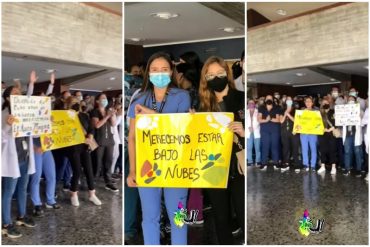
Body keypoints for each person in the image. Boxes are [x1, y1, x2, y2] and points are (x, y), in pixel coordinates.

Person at [127, 52, 191, 245]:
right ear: (148, 73)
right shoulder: (139, 101)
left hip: (177, 168)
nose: (160, 73)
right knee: (150, 218)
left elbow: (177, 131)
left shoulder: (182, 97)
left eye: (164, 69)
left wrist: (150, 113)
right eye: (155, 70)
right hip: (148, 168)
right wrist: (132, 170)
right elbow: (132, 138)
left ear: (171, 72)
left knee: (179, 218)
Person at [199, 56, 245, 244]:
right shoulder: (201, 104)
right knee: (220, 217)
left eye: (220, 73)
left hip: (237, 166)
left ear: (227, 74)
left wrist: (243, 131)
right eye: (210, 75)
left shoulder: (241, 98)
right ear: (205, 79)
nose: (216, 78)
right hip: (214, 167)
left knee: (243, 213)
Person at [2, 83, 36, 238]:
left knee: (23, 189)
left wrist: (44, 122)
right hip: (11, 159)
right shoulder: (4, 113)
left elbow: (33, 134)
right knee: (8, 192)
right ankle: (6, 224)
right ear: (8, 98)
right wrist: (8, 126)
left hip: (25, 157)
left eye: (20, 93)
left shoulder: (25, 112)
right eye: (15, 93)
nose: (19, 95)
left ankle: (21, 217)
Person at [29, 72, 60, 217]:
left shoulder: (46, 112)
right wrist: (31, 84)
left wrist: (52, 84)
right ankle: (36, 204)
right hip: (35, 145)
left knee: (51, 175)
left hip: (46, 145)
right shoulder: (28, 113)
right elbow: (25, 133)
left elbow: (47, 98)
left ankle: (50, 200)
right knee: (36, 177)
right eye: (40, 99)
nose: (43, 100)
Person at [63, 96, 102, 206]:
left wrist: (90, 136)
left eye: (76, 102)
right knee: (77, 171)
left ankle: (92, 194)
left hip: (85, 146)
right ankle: (73, 194)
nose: (75, 104)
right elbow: (66, 133)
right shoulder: (65, 118)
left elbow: (91, 128)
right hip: (72, 148)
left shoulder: (84, 115)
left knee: (89, 170)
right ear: (67, 105)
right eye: (72, 103)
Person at [91, 93, 119, 192]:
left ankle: (108, 182)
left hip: (109, 141)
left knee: (108, 162)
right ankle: (92, 182)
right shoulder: (94, 112)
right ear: (97, 101)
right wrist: (107, 116)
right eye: (102, 98)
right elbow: (97, 125)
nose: (104, 100)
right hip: (99, 141)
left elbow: (114, 124)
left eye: (105, 98)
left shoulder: (108, 110)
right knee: (97, 163)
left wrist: (112, 114)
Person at [258, 95, 281, 170]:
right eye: (267, 98)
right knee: (265, 146)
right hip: (265, 130)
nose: (269, 100)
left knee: (275, 146)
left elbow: (278, 120)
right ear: (265, 100)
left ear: (272, 100)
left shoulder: (277, 107)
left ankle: (276, 163)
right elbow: (259, 119)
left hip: (275, 130)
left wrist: (270, 118)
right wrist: (266, 120)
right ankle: (263, 163)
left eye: (270, 99)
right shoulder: (261, 107)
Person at [342, 95, 363, 176]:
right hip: (347, 134)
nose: (350, 101)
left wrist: (359, 117)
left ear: (355, 101)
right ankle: (347, 168)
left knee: (357, 152)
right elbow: (341, 121)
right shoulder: (344, 111)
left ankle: (359, 169)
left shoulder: (360, 110)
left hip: (356, 134)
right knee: (347, 152)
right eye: (349, 100)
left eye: (352, 100)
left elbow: (363, 123)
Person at [298, 96, 318, 172]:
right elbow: (298, 122)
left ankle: (313, 165)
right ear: (305, 103)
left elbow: (318, 123)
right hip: (303, 133)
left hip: (313, 133)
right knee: (304, 149)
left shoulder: (316, 112)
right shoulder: (301, 111)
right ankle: (305, 164)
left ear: (312, 103)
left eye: (310, 101)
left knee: (313, 149)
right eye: (307, 101)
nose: (308, 103)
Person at [280, 96, 300, 172]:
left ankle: (297, 164)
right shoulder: (282, 110)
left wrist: (288, 114)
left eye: (290, 100)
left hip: (294, 132)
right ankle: (286, 163)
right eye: (287, 100)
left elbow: (296, 120)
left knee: (295, 149)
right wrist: (285, 113)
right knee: (285, 148)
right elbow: (281, 121)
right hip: (284, 132)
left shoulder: (296, 110)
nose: (288, 101)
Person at [317, 98, 337, 175]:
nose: (325, 104)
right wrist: (322, 129)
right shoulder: (319, 113)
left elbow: (337, 122)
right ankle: (322, 166)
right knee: (322, 150)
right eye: (323, 103)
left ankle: (333, 167)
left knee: (332, 150)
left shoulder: (333, 112)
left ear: (329, 103)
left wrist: (329, 129)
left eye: (326, 103)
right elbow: (316, 123)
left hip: (331, 134)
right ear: (321, 105)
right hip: (322, 134)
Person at [246, 99, 260, 166]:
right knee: (249, 147)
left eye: (252, 103)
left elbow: (259, 121)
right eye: (249, 103)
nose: (251, 104)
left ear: (254, 104)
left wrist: (253, 128)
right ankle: (250, 161)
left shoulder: (258, 111)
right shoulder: (245, 112)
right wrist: (249, 127)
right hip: (248, 132)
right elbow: (244, 122)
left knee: (257, 147)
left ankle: (258, 160)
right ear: (247, 104)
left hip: (256, 131)